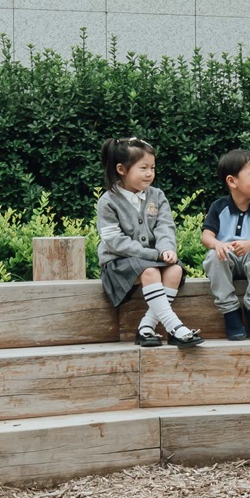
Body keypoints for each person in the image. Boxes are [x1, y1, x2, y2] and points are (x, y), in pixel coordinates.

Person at [97, 136, 202, 347]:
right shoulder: (108, 201)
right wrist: (153, 255)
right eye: (143, 168)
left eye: (152, 168)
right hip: (119, 262)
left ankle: (146, 328)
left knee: (175, 270)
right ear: (121, 169)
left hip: (152, 259)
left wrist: (167, 249)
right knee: (151, 272)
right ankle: (175, 327)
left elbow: (165, 226)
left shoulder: (157, 195)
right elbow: (113, 240)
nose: (149, 174)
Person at [201, 148, 250, 341]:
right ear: (232, 181)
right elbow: (206, 237)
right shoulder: (218, 207)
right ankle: (230, 311)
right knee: (213, 256)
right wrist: (217, 244)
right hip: (227, 257)